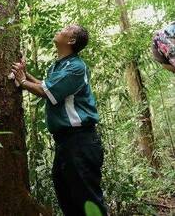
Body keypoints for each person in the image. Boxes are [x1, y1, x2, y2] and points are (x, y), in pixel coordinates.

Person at [10, 24, 107, 216]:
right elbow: (46, 85)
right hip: (65, 144)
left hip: (81, 142)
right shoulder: (60, 65)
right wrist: (26, 74)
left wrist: (22, 81)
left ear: (71, 40)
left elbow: (48, 92)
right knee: (67, 198)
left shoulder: (76, 67)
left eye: (67, 28)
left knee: (88, 201)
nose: (61, 28)